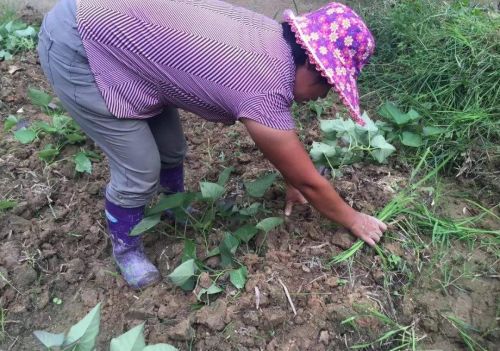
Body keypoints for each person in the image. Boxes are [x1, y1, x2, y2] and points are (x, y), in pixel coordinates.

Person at [38, 0, 387, 289]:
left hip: (124, 37)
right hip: (79, 44)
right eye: (326, 89)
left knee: (171, 150)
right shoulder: (264, 87)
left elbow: (290, 160)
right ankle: (125, 247)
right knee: (140, 169)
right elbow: (311, 180)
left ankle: (174, 207)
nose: (320, 98)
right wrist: (354, 219)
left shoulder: (271, 39)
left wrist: (293, 181)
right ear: (312, 67)